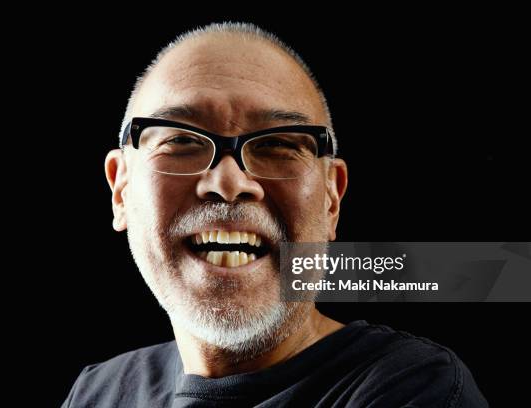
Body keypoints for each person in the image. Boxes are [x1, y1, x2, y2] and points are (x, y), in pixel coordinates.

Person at [62, 22, 488, 407]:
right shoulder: (97, 390)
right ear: (120, 190)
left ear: (331, 199)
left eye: (277, 145)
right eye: (182, 140)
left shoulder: (411, 389)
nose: (229, 184)